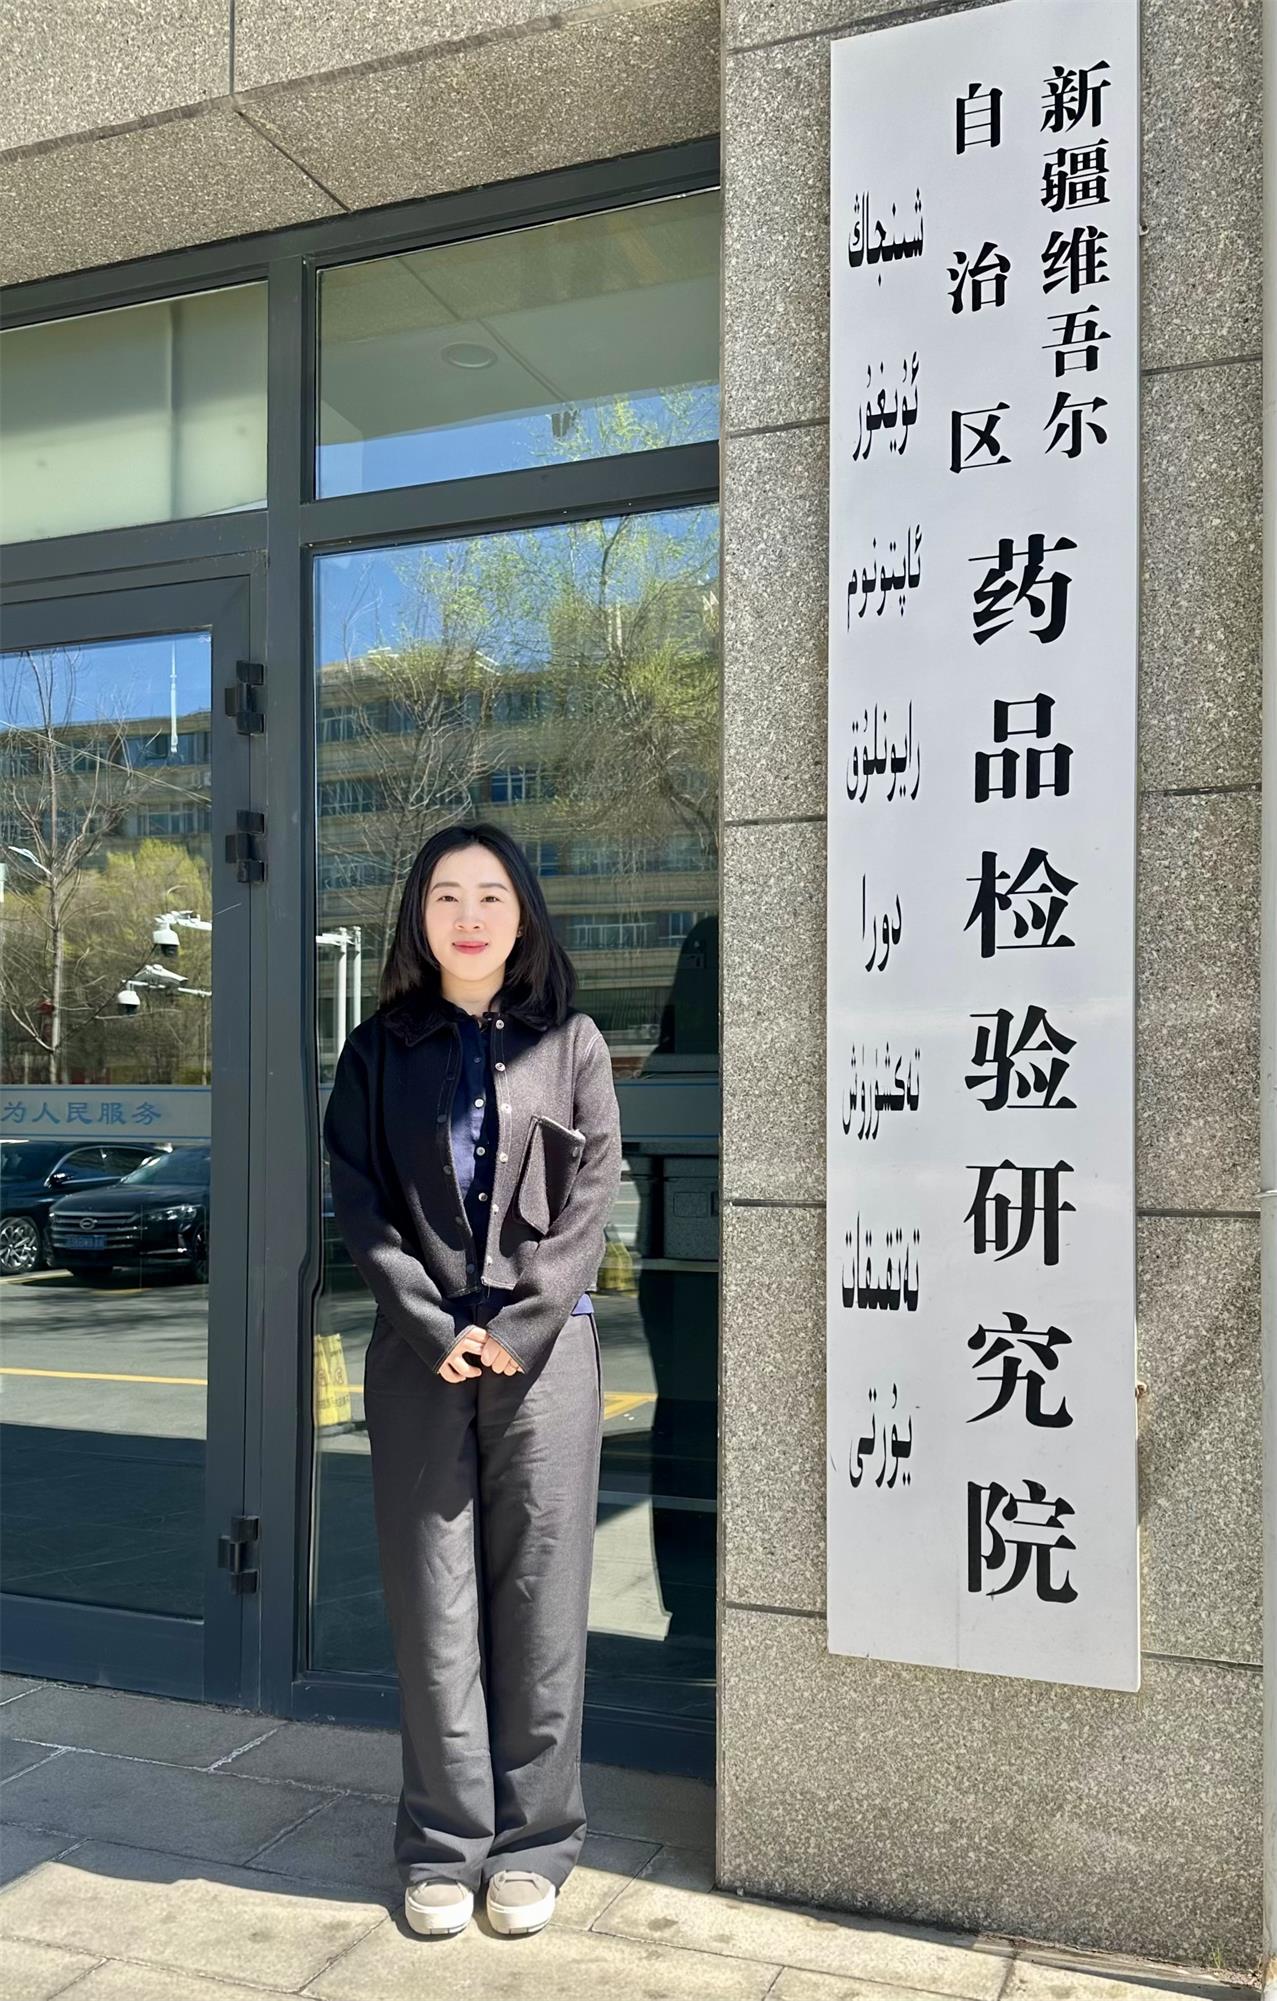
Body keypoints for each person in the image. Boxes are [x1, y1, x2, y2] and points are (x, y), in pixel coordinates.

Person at [321, 820, 623, 1942]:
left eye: (490, 894)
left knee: (541, 1596)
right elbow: (359, 1200)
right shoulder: (377, 1049)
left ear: (523, 912)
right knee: (431, 1599)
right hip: (421, 1357)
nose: (468, 915)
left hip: (543, 1360)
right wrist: (429, 1320)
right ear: (418, 915)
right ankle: (443, 1845)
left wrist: (521, 1322)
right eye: (445, 895)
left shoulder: (572, 1043)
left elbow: (592, 1195)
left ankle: (536, 1842)